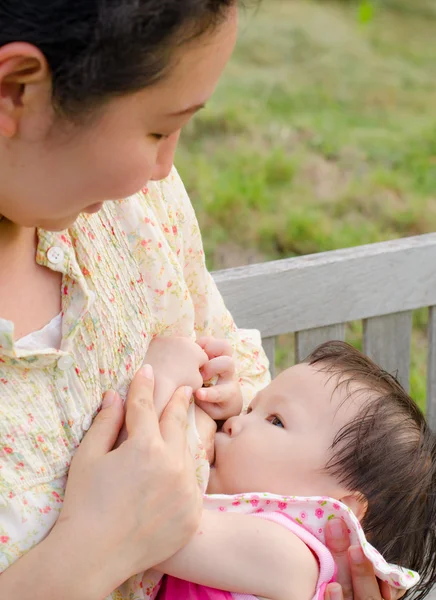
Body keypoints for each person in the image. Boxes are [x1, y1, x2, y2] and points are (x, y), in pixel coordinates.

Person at [0, 2, 406, 599]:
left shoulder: (134, 212)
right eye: (159, 129)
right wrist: (91, 546)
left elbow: (234, 383)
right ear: (16, 92)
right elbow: (160, 514)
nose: (165, 169)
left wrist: (222, 392)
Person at [139, 337, 436, 600]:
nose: (235, 423)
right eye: (250, 409)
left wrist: (164, 381)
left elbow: (149, 524)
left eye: (276, 420)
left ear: (339, 507)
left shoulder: (288, 558)